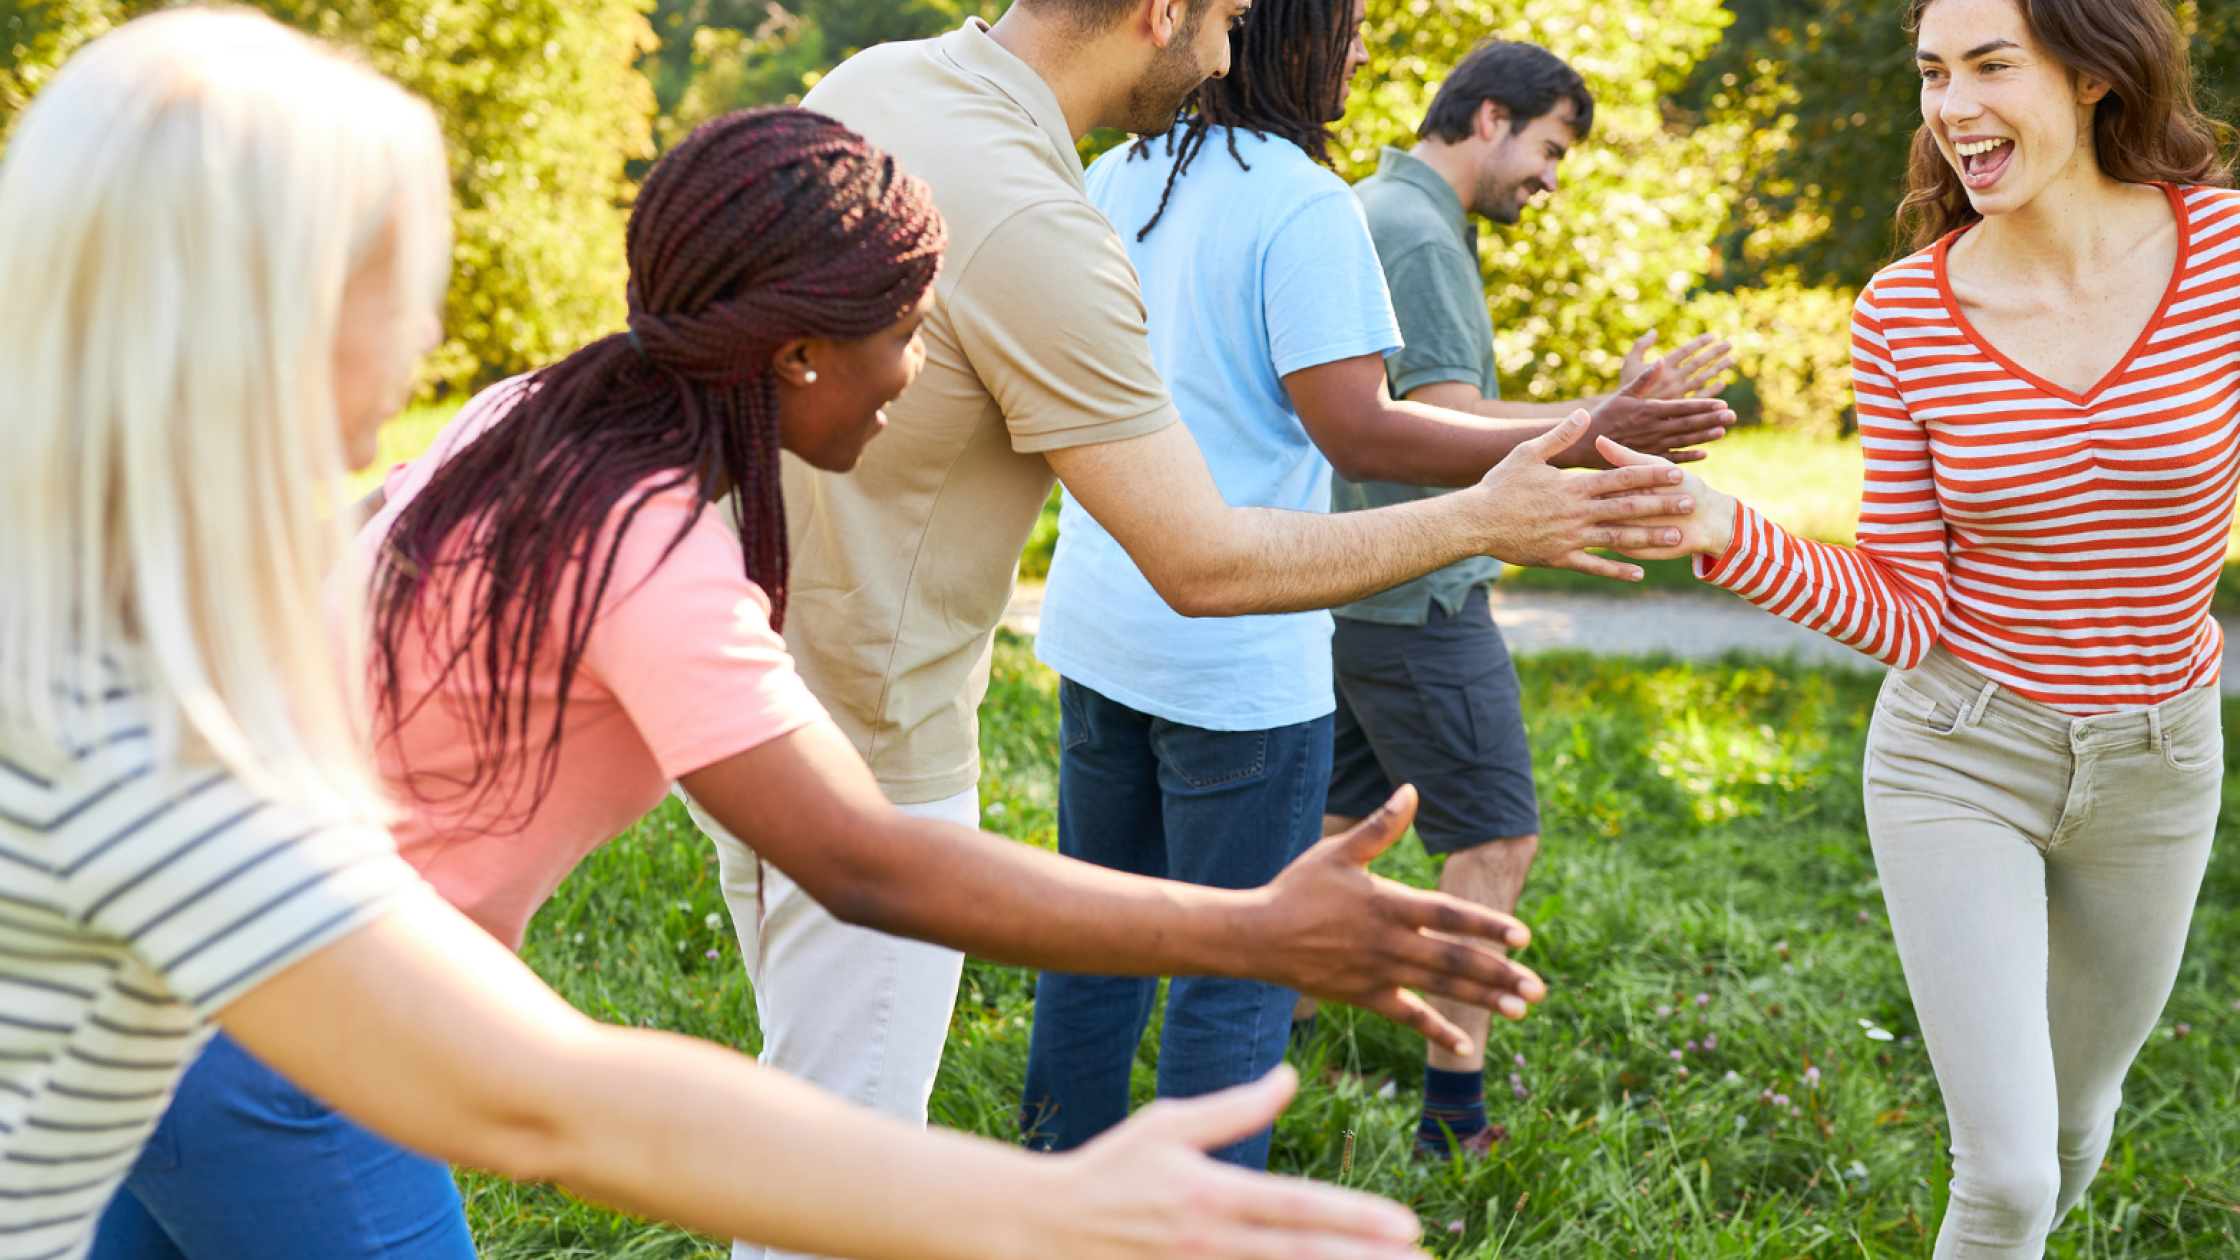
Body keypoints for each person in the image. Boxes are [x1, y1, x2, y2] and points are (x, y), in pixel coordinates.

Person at [0, 11, 1449, 1260]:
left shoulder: (523, 423)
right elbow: (605, 1055)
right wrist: (1215, 976)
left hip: (182, 1062)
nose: (924, 365)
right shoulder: (630, 546)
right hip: (282, 1068)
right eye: (402, 280)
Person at [694, 0, 1730, 1226]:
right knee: (859, 1180)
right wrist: (1506, 502)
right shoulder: (1080, 212)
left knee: (856, 1083)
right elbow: (1244, 525)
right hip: (915, 743)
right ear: (1162, 12)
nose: (1243, 48)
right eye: (1237, 16)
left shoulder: (891, 88)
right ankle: (1191, 1229)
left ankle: (1073, 1199)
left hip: (766, 689)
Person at [1016, 0, 1733, 1169]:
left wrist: (1583, 418)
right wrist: (1585, 429)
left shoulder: (1122, 171)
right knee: (1241, 965)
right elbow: (1362, 432)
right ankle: (1197, 1235)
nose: (1357, 53)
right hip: (1237, 664)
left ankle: (1051, 1196)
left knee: (1095, 936)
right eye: (1342, 28)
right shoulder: (1299, 199)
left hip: (1104, 628)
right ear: (1280, 37)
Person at [1598, 0, 2235, 1252]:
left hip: (2158, 763)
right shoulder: (1905, 316)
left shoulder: (2218, 251)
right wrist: (1716, 526)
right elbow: (1898, 604)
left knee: (2073, 1118)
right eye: (1932, 73)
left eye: (1989, 66)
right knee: (2000, 1175)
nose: (1950, 108)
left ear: (2093, 75)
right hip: (1959, 751)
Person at [1293, 38, 1734, 1162]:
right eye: (1546, 149)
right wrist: (1606, 422)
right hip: (1418, 598)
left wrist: (1603, 410)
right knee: (1495, 837)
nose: (1550, 179)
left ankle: (1265, 1051)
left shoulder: (1374, 209)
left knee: (1339, 828)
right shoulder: (1415, 234)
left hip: (1355, 585)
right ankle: (1452, 1118)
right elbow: (1443, 427)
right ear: (1488, 118)